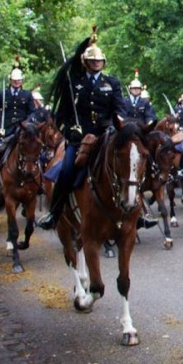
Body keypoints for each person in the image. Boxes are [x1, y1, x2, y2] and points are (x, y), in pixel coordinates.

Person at [36, 27, 156, 231]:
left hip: (106, 134)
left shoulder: (112, 83)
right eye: (93, 61)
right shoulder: (74, 83)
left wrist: (118, 124)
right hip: (80, 138)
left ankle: (140, 211)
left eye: (99, 61)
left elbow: (120, 108)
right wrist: (69, 131)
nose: (96, 64)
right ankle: (54, 213)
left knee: (132, 164)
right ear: (85, 62)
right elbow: (60, 116)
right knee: (66, 171)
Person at [0, 59, 37, 199]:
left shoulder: (27, 95)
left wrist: (28, 123)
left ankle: (39, 183)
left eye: (19, 80)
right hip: (5, 131)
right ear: (10, 80)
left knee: (36, 153)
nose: (17, 82)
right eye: (14, 80)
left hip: (23, 131)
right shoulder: (2, 94)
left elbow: (32, 112)